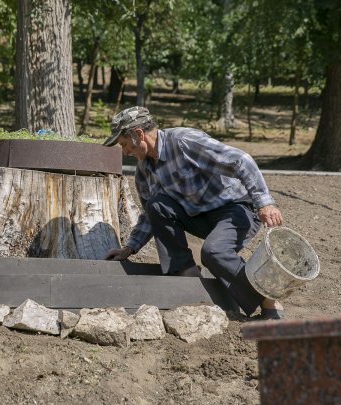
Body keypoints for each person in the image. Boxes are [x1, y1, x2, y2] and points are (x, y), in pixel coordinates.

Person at [103, 106, 284, 319]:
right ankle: (188, 276)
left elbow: (241, 160)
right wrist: (130, 248)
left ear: (139, 134)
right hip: (201, 218)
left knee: (213, 252)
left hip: (236, 208)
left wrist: (265, 203)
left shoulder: (184, 141)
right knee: (156, 205)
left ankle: (269, 301)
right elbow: (149, 216)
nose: (125, 152)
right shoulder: (144, 172)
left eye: (124, 145)